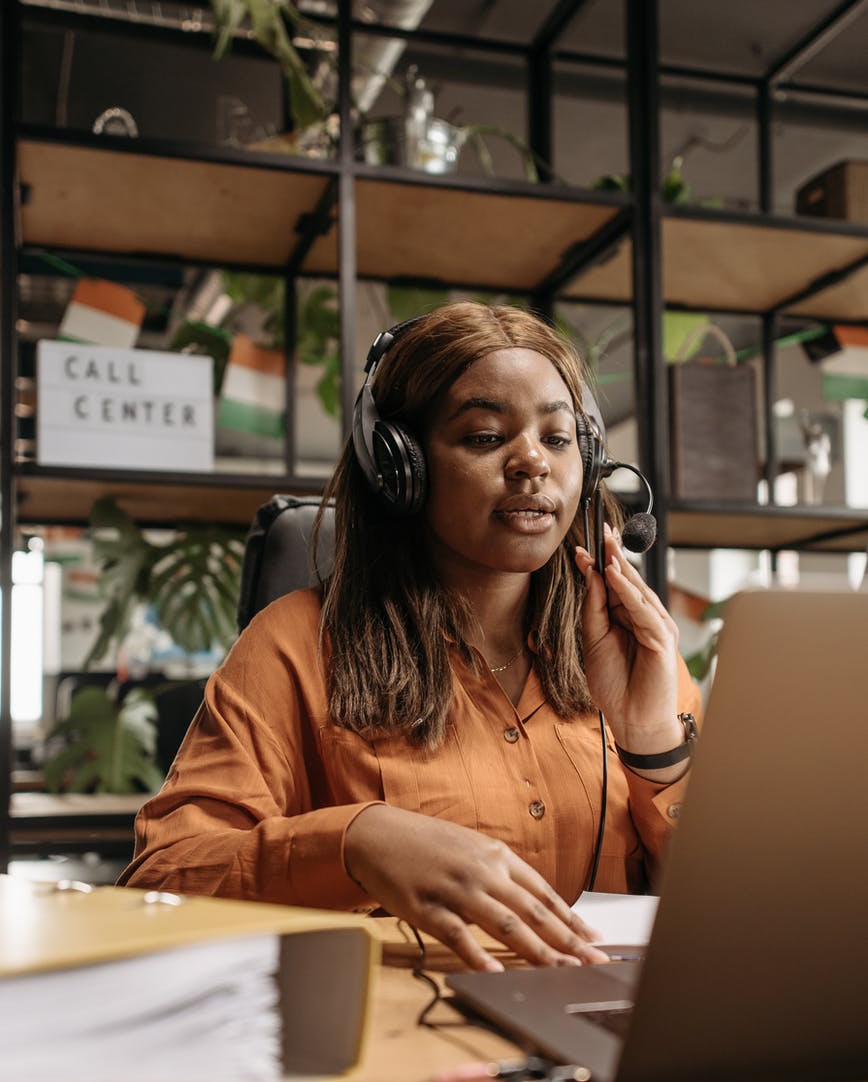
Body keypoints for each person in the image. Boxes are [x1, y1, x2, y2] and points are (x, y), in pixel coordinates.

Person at [119, 302, 700, 972]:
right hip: (409, 1032)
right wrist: (354, 842)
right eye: (485, 437)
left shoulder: (637, 653)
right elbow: (162, 879)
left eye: (558, 438)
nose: (532, 464)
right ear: (400, 467)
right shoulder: (295, 645)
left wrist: (655, 749)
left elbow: (731, 908)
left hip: (609, 1023)